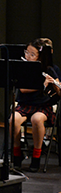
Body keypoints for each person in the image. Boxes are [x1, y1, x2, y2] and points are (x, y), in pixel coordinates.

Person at [11, 39, 59, 172]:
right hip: (25, 104)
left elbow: (59, 93)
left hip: (43, 106)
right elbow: (23, 90)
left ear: (39, 56)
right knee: (12, 120)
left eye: (32, 54)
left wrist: (54, 84)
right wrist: (42, 85)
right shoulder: (23, 68)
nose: (28, 56)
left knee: (37, 119)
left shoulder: (48, 69)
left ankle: (36, 157)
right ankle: (17, 154)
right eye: (27, 53)